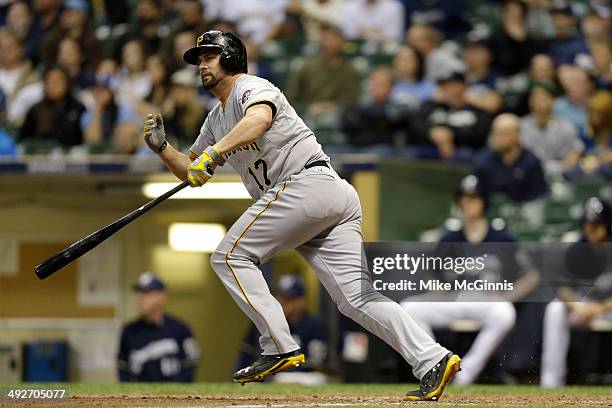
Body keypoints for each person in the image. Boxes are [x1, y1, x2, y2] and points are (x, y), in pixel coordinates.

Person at [143, 30, 461, 401]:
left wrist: (212, 154)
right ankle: (432, 359)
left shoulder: (251, 86)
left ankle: (278, 345)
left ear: (230, 58)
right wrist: (164, 149)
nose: (201, 64)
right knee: (355, 298)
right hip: (324, 196)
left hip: (306, 184)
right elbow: (193, 173)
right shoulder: (215, 119)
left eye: (209, 56)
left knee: (230, 256)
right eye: (199, 59)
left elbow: (258, 121)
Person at [401, 175, 538, 385]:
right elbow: (429, 272)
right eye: (464, 198)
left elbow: (531, 276)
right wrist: (435, 286)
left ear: (483, 201)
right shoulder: (450, 238)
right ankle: (437, 365)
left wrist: (507, 296)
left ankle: (465, 374)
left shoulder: (501, 238)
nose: (467, 203)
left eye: (473, 198)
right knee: (409, 308)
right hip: (454, 297)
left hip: (485, 300)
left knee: (505, 312)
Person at [540, 197, 612, 387]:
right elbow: (563, 286)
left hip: (608, 307)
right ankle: (551, 382)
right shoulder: (578, 248)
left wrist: (602, 307)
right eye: (587, 224)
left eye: (597, 224)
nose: (591, 229)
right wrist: (576, 306)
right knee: (555, 310)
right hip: (586, 306)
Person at [236, 275, 327, 384]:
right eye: (280, 297)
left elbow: (316, 363)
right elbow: (246, 356)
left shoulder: (313, 325)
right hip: (271, 377)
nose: (282, 302)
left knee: (316, 379)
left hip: (302, 377)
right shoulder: (265, 322)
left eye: (288, 299)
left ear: (301, 301)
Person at [118, 272, 200, 382]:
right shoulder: (129, 331)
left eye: (148, 293)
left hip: (174, 395)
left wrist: (179, 391)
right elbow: (123, 367)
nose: (142, 298)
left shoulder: (180, 329)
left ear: (162, 297)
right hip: (139, 396)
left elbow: (191, 361)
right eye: (140, 293)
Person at [411, 70, 491, 159]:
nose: (446, 88)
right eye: (443, 85)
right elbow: (416, 124)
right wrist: (432, 133)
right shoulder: (430, 106)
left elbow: (480, 134)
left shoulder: (475, 111)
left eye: (451, 84)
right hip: (430, 150)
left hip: (464, 153)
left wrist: (450, 134)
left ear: (463, 86)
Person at [285, 23, 360, 115]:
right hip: (306, 115)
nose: (329, 43)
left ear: (342, 42)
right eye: (326, 39)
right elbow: (291, 96)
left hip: (338, 116)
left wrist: (332, 106)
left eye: (333, 39)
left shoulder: (350, 71)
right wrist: (306, 108)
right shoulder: (307, 67)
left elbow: (351, 100)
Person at [475, 113, 548, 204]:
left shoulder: (531, 162)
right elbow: (478, 195)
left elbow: (538, 195)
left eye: (504, 134)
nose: (498, 139)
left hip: (523, 213)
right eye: (496, 134)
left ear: (517, 135)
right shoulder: (484, 161)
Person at [520, 83, 583, 174]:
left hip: (558, 176)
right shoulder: (521, 126)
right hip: (528, 176)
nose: (536, 101)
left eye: (541, 97)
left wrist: (571, 158)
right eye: (533, 97)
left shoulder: (566, 127)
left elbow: (574, 152)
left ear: (553, 101)